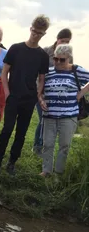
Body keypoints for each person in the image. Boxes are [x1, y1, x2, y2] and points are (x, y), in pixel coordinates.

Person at [0, 15, 50, 176]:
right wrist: (8, 92)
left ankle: (12, 162)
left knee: (21, 132)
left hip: (29, 98)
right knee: (7, 128)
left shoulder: (42, 56)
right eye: (34, 31)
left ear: (44, 34)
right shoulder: (16, 48)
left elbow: (42, 78)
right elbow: (4, 73)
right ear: (30, 28)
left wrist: (37, 94)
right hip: (13, 96)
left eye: (39, 33)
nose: (35, 35)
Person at [39, 44, 89, 177]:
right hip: (49, 114)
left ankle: (58, 173)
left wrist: (81, 93)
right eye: (56, 59)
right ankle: (46, 170)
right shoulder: (48, 71)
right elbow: (40, 89)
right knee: (47, 143)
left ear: (69, 59)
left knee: (64, 145)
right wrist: (41, 100)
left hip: (69, 116)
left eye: (62, 60)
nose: (58, 62)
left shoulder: (76, 70)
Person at [33, 28, 72, 155]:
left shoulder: (69, 56)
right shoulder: (45, 51)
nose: (64, 44)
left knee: (50, 120)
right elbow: (37, 72)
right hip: (42, 91)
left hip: (57, 93)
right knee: (43, 119)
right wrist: (39, 92)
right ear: (57, 39)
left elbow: (69, 72)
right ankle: (38, 147)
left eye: (68, 42)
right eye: (63, 40)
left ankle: (45, 147)